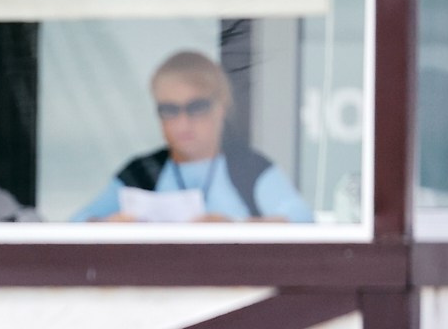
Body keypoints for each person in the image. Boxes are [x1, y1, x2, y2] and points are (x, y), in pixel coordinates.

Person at [75, 51, 313, 223]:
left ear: (221, 107)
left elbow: (302, 221)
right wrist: (108, 227)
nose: (183, 122)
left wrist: (235, 230)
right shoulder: (142, 173)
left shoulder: (247, 169)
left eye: (196, 107)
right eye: (169, 110)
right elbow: (73, 225)